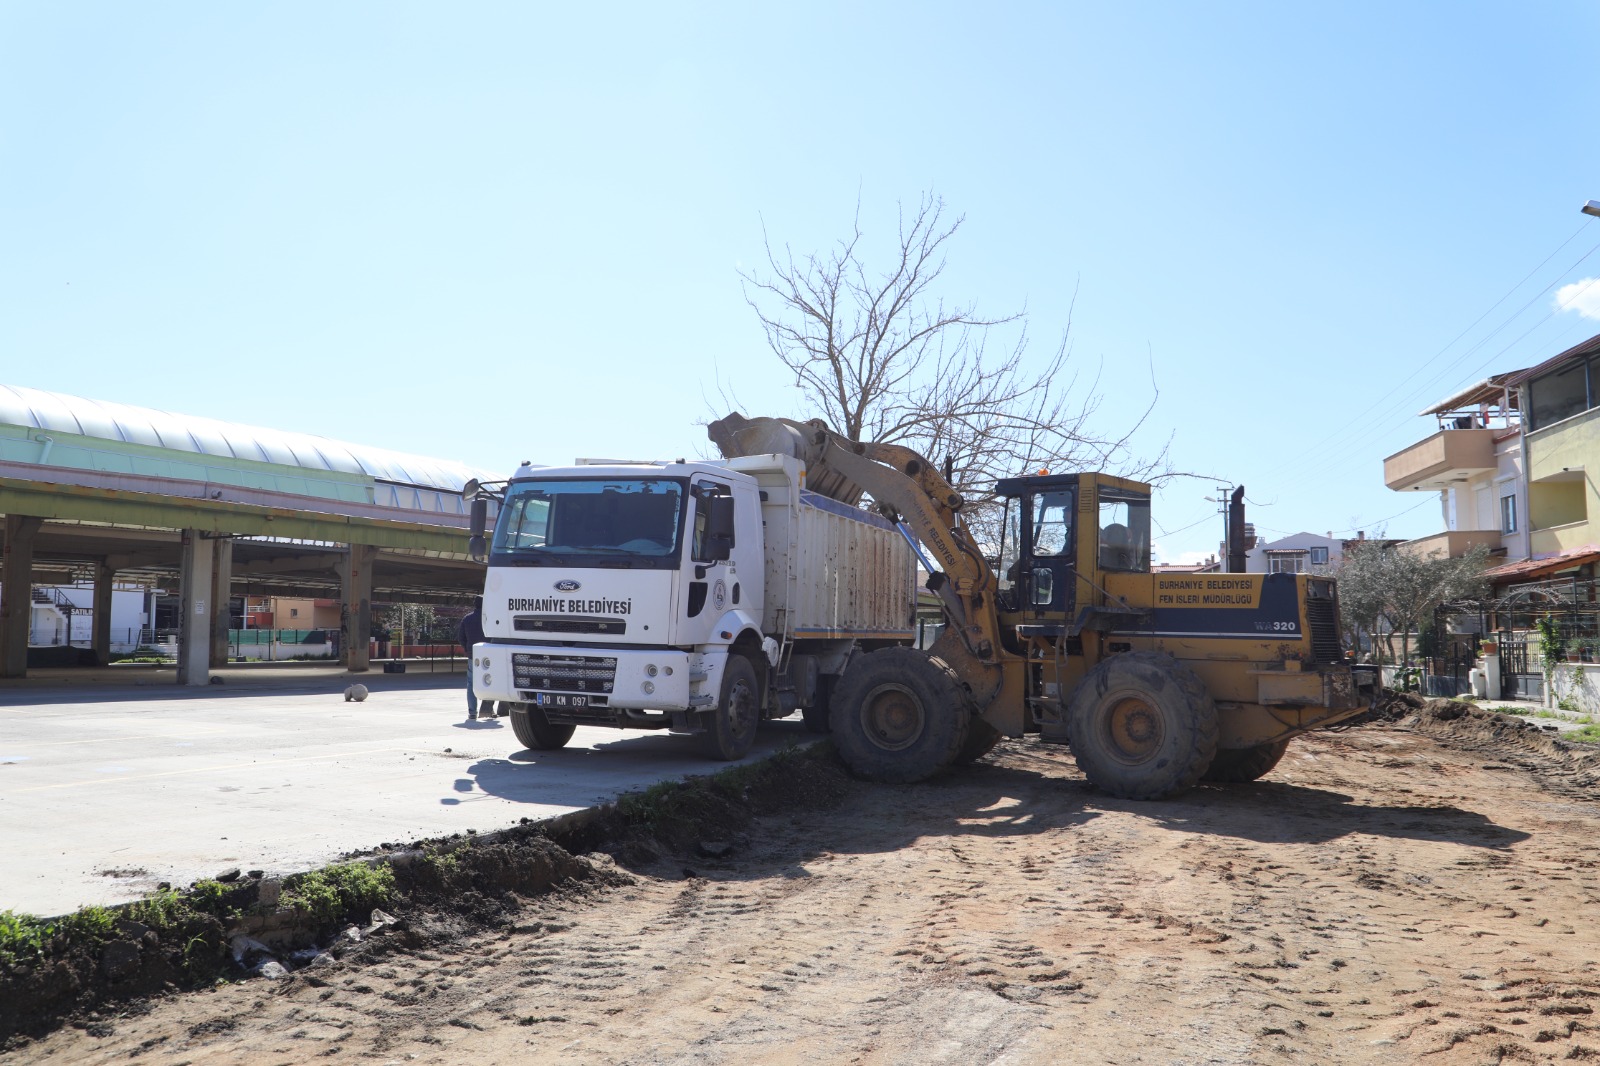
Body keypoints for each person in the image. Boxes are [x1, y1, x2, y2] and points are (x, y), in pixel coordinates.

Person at [458, 599, 490, 721]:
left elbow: (461, 638)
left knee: (471, 683)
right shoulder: (489, 619)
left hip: (473, 655)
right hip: (489, 655)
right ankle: (487, 708)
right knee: (489, 681)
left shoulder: (467, 619)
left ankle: (472, 712)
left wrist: (467, 649)